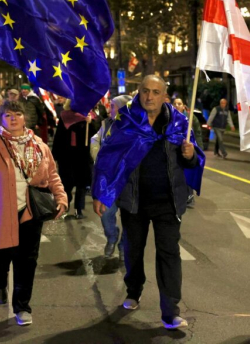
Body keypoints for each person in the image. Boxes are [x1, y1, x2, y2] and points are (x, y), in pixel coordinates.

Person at [92, 75, 202, 330]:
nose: (149, 96)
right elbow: (108, 157)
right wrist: (101, 193)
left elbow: (191, 161)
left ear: (165, 96)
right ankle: (133, 290)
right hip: (134, 201)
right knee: (133, 249)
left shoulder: (179, 123)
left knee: (169, 254)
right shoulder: (125, 120)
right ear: (138, 93)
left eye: (155, 92)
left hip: (168, 202)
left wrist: (191, 154)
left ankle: (170, 310)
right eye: (145, 91)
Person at [0, 100, 68, 326]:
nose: (12, 118)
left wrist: (61, 198)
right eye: (7, 115)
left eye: (17, 114)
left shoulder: (39, 145)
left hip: (29, 213)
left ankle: (22, 306)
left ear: (25, 118)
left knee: (27, 262)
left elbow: (52, 176)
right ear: (1, 119)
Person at [90, 95, 132, 259]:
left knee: (130, 219)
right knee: (106, 213)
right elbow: (95, 140)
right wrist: (98, 156)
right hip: (108, 180)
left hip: (128, 181)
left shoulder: (134, 127)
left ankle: (123, 246)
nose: (110, 109)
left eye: (113, 106)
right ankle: (112, 237)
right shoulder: (106, 124)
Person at [52, 99, 93, 219]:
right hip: (67, 156)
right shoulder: (65, 116)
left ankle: (78, 209)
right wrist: (54, 157)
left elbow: (94, 136)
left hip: (82, 155)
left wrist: (90, 124)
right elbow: (58, 137)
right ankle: (66, 204)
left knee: (81, 184)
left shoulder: (87, 117)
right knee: (66, 183)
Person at [172, 97, 202, 208]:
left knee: (188, 172)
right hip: (176, 151)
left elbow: (198, 134)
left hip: (189, 151)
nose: (176, 105)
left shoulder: (190, 118)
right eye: (174, 103)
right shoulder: (170, 117)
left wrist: (198, 150)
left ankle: (189, 196)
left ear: (183, 106)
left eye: (179, 103)